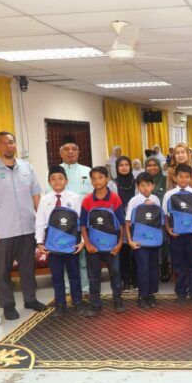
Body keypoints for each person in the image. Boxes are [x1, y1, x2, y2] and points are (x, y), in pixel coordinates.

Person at [0, 131, 44, 320]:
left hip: (28, 227)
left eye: (11, 142)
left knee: (28, 267)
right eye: (4, 143)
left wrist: (42, 223)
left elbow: (36, 196)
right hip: (3, 229)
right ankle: (8, 304)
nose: (8, 146)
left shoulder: (27, 167)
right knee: (3, 270)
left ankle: (30, 299)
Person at [35, 165, 84, 317]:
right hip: (53, 245)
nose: (57, 181)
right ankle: (60, 304)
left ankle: (77, 302)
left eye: (60, 178)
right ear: (49, 182)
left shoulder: (74, 198)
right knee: (57, 277)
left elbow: (80, 222)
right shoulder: (44, 200)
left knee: (75, 275)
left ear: (66, 181)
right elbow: (40, 223)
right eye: (53, 179)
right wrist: (39, 242)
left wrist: (82, 241)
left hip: (71, 244)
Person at [80, 166, 125, 317]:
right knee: (94, 276)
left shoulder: (115, 199)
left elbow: (121, 224)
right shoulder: (87, 200)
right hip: (93, 247)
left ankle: (118, 300)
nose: (97, 181)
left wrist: (119, 244)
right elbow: (83, 226)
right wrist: (87, 244)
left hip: (112, 246)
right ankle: (95, 304)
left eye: (100, 177)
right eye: (93, 178)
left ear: (107, 179)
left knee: (115, 273)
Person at [163, 163, 192, 304]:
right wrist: (168, 229)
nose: (183, 179)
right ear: (175, 178)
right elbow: (165, 215)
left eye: (187, 177)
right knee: (178, 265)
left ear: (191, 178)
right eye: (180, 176)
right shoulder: (168, 195)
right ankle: (181, 293)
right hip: (176, 236)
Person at [57, 136, 93, 294]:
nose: (70, 152)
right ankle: (67, 287)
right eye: (66, 149)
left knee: (84, 256)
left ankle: (85, 286)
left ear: (79, 152)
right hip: (63, 221)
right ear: (60, 153)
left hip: (84, 219)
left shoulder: (87, 171)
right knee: (65, 254)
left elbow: (93, 195)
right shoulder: (55, 171)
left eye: (74, 149)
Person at [125, 172, 163, 310]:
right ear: (137, 187)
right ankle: (142, 296)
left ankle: (151, 294)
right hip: (140, 242)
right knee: (143, 269)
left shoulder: (156, 199)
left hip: (153, 241)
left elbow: (159, 222)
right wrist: (130, 241)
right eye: (142, 185)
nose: (145, 188)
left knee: (153, 268)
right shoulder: (134, 201)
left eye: (148, 185)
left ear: (153, 185)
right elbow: (127, 222)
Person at [112, 156, 138, 293]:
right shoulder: (112, 184)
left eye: (126, 165)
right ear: (117, 168)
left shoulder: (137, 182)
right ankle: (125, 280)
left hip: (135, 221)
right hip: (119, 222)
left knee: (136, 251)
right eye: (121, 165)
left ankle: (135, 278)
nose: (124, 167)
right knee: (123, 252)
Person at [144, 156, 171, 282]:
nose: (152, 168)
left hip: (163, 218)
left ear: (159, 166)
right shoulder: (143, 181)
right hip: (147, 219)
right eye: (149, 165)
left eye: (155, 165)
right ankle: (154, 270)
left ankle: (165, 268)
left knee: (164, 244)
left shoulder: (166, 180)